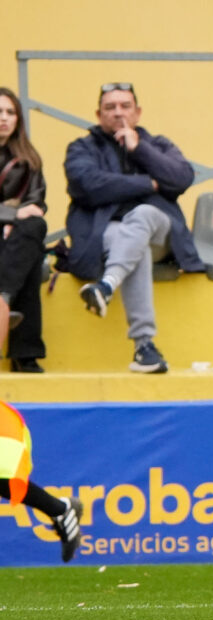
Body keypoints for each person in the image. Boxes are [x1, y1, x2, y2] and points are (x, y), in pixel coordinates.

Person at [64, 82, 204, 373]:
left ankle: (105, 287)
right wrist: (148, 183)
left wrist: (139, 149)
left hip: (160, 235)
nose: (118, 112)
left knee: (143, 214)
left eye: (125, 106)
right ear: (98, 114)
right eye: (110, 107)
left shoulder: (158, 145)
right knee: (132, 243)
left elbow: (181, 178)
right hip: (106, 233)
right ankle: (144, 346)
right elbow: (88, 185)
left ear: (137, 112)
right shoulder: (81, 148)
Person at [0, 87, 48, 373]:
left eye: (10, 112)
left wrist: (15, 222)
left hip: (15, 237)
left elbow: (36, 204)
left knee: (33, 231)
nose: (4, 118)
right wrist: (11, 215)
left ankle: (2, 298)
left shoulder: (29, 158)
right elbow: (22, 210)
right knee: (28, 252)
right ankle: (25, 353)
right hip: (9, 234)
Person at [0, 401, 83, 562]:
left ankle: (60, 510)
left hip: (5, 427)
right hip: (7, 423)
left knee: (4, 478)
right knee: (3, 480)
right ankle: (60, 510)